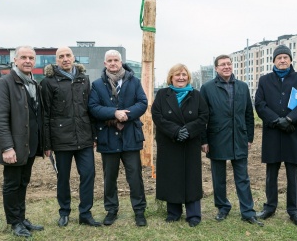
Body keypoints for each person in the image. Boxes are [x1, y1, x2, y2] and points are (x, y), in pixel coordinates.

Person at [41, 46, 101, 227]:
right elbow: (44, 114)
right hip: (61, 139)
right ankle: (64, 212)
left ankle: (85, 213)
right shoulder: (48, 82)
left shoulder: (84, 79)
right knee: (63, 178)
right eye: (61, 56)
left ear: (73, 57)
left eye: (68, 55)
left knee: (89, 174)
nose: (65, 59)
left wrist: (94, 135)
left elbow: (89, 110)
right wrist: (47, 144)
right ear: (56, 60)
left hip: (84, 137)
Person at [200, 54, 263, 227]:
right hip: (216, 138)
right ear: (216, 68)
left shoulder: (242, 87)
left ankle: (248, 211)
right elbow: (202, 117)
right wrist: (203, 140)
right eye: (222, 65)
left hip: (239, 138)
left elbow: (249, 114)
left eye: (229, 64)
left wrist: (249, 136)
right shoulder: (207, 88)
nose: (226, 67)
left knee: (242, 177)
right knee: (218, 177)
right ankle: (223, 207)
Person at [88, 49, 148, 227]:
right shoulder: (97, 85)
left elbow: (142, 103)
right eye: (110, 61)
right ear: (105, 64)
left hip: (130, 136)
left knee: (135, 177)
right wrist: (114, 113)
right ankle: (111, 210)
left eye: (116, 60)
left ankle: (139, 211)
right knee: (110, 177)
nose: (113, 63)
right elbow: (93, 107)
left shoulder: (134, 81)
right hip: (108, 137)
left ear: (121, 62)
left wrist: (126, 115)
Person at [255, 45, 297, 226]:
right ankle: (270, 207)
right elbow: (260, 104)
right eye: (279, 58)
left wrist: (288, 119)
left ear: (290, 60)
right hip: (273, 133)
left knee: (292, 174)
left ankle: (293, 210)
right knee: (271, 173)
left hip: (293, 133)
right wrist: (276, 120)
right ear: (273, 61)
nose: (282, 60)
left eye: (285, 58)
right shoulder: (264, 80)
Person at [0, 46, 44, 238]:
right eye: (23, 57)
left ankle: (22, 218)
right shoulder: (4, 83)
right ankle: (14, 222)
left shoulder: (33, 84)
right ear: (15, 60)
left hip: (29, 146)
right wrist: (7, 147)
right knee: (12, 184)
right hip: (13, 147)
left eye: (31, 57)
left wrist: (43, 144)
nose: (28, 61)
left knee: (23, 183)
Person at [151, 64, 209, 227]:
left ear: (188, 77)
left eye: (184, 74)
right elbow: (157, 115)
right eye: (177, 75)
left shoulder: (196, 95)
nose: (181, 77)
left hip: (190, 143)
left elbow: (204, 116)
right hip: (170, 142)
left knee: (191, 178)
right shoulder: (162, 94)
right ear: (171, 77)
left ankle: (194, 214)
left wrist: (188, 130)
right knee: (172, 176)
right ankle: (173, 212)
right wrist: (176, 131)